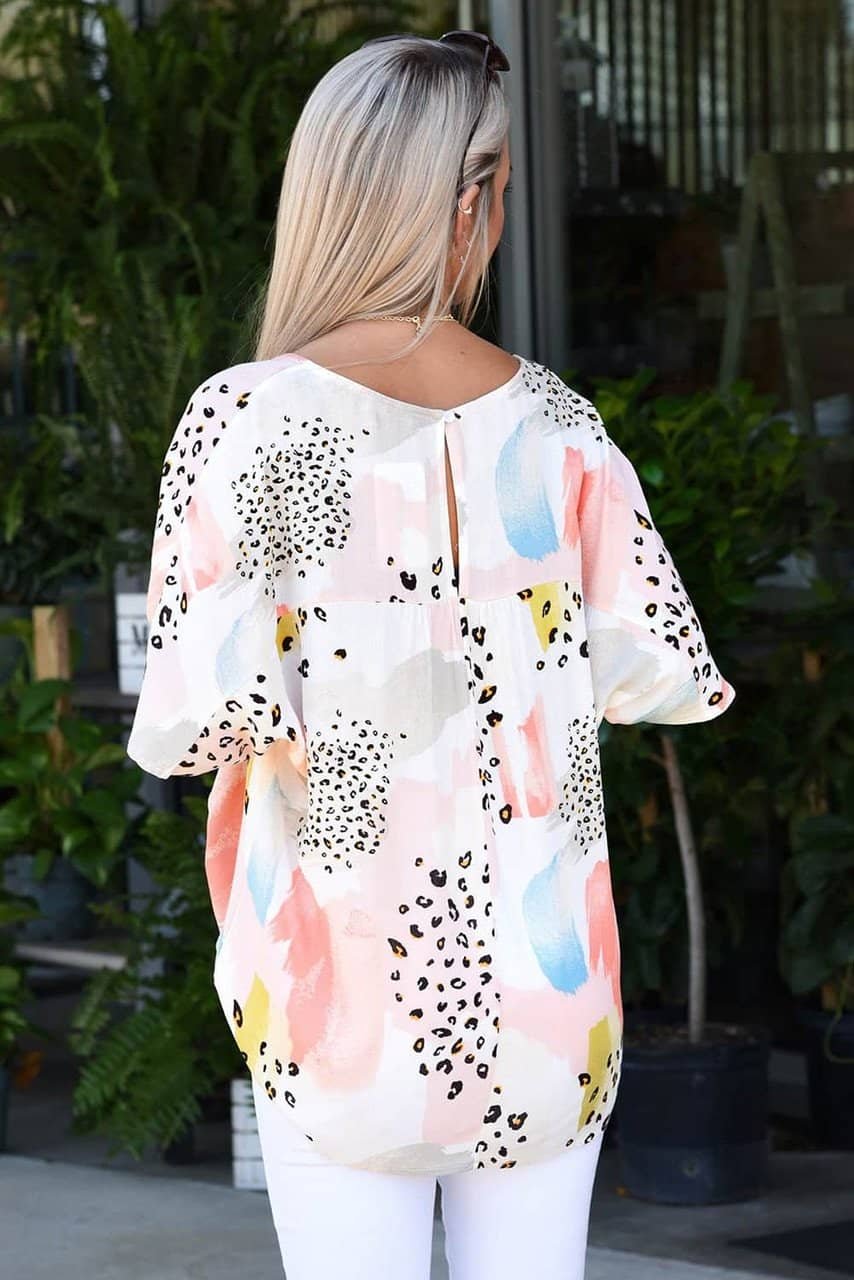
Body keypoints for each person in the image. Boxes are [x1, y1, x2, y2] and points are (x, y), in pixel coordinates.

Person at [126, 28, 736, 1280]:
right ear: (474, 198)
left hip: (335, 1007)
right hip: (547, 1008)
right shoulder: (562, 430)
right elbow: (657, 674)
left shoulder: (241, 423)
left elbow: (191, 728)